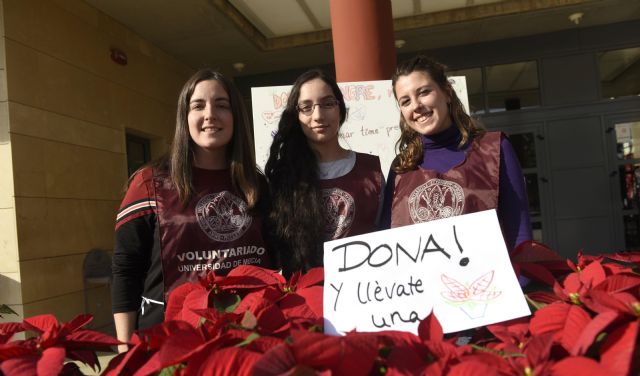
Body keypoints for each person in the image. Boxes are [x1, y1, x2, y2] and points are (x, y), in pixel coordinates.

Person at [111, 69, 272, 351]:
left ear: (236, 117)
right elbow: (126, 269)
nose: (210, 114)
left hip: (246, 338)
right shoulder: (150, 183)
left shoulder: (257, 185)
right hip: (168, 342)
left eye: (222, 105)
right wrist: (125, 348)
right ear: (184, 118)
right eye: (198, 106)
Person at [381, 55, 532, 253]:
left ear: (447, 93)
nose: (416, 105)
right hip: (420, 284)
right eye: (406, 101)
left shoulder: (495, 149)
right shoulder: (401, 167)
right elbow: (385, 239)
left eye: (424, 92)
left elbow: (519, 231)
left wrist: (522, 282)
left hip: (485, 282)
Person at [265, 69, 383, 277]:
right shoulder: (283, 179)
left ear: (341, 110)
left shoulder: (370, 170)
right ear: (296, 116)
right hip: (305, 301)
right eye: (306, 107)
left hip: (366, 294)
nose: (318, 116)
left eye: (327, 104)